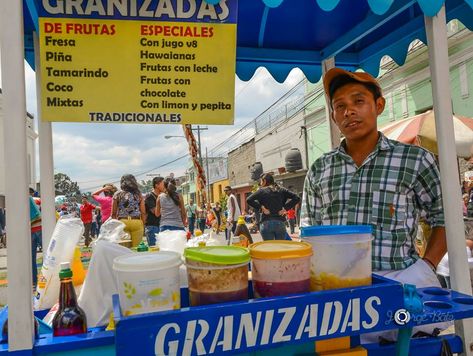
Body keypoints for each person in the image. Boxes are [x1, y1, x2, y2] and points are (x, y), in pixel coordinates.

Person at [300, 68, 447, 337]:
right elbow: (309, 231)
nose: (349, 112)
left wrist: (427, 265)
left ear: (378, 106)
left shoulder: (414, 160)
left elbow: (443, 217)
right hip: (338, 294)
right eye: (340, 106)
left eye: (358, 101)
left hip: (399, 284)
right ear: (333, 116)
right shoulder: (320, 169)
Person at [247, 173, 300, 240]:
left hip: (266, 223)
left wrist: (261, 208)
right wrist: (285, 209)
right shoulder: (282, 190)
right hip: (280, 223)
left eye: (261, 181)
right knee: (280, 248)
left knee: (269, 248)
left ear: (264, 181)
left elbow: (248, 200)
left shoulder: (261, 191)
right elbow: (297, 198)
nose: (260, 183)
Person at [112, 174, 146, 247]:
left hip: (123, 222)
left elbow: (113, 213)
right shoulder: (138, 194)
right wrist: (143, 224)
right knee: (137, 247)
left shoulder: (117, 194)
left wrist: (115, 227)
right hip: (136, 221)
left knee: (125, 249)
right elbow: (143, 212)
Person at [144, 176, 164, 246]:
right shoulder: (149, 196)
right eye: (163, 184)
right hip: (152, 227)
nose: (164, 186)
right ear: (156, 185)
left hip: (160, 225)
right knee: (154, 250)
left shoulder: (162, 196)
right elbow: (155, 212)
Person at [29, 189, 42, 291]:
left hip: (31, 230)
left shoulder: (26, 200)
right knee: (47, 255)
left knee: (31, 258)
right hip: (40, 228)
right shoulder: (39, 200)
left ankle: (34, 282)